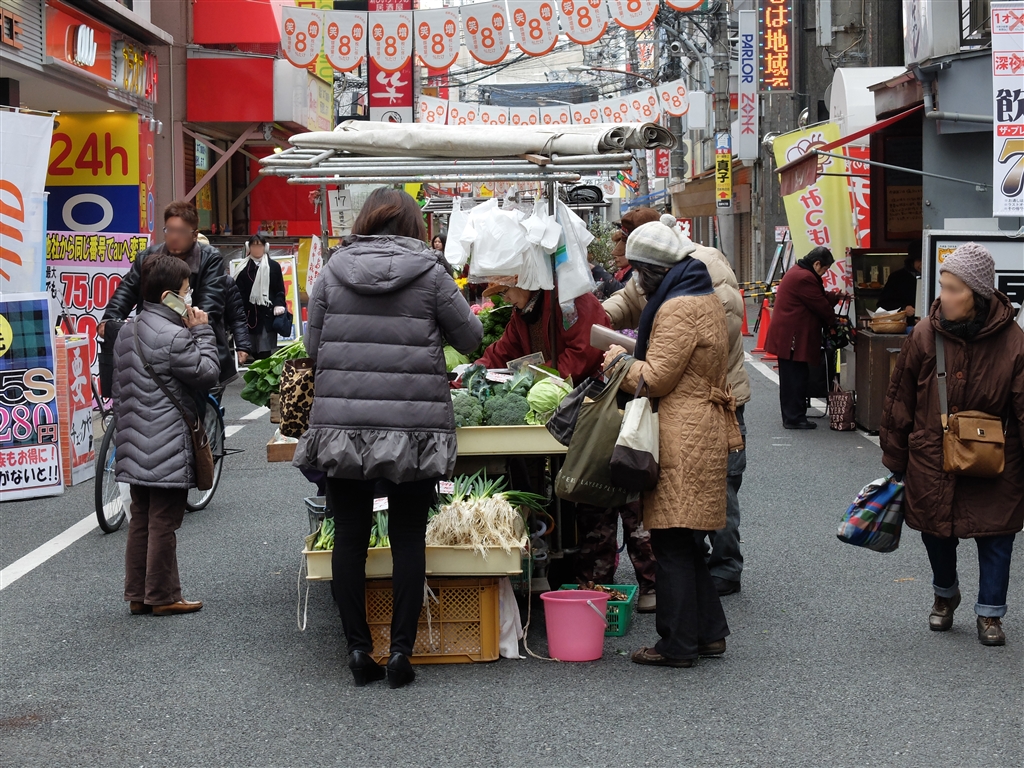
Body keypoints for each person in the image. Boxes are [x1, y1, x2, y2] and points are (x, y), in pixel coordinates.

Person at [293, 188, 482, 688]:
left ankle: (358, 649)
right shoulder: (432, 274)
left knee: (349, 536)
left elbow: (312, 346)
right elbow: (471, 339)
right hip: (411, 428)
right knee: (408, 537)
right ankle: (401, 653)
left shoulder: (333, 271)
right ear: (415, 226)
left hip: (343, 426)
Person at [603, 214, 737, 668]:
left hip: (683, 430)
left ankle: (677, 644)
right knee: (684, 540)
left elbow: (658, 377)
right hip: (698, 425)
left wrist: (619, 361)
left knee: (671, 541)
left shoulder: (678, 306)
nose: (635, 282)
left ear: (651, 270)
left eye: (637, 273)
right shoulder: (700, 292)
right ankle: (709, 635)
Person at [881, 242, 1024, 647]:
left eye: (953, 288)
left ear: (976, 294)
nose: (943, 296)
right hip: (932, 454)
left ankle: (990, 613)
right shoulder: (925, 334)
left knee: (997, 535)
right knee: (936, 531)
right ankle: (945, 594)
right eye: (942, 286)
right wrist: (896, 457)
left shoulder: (1014, 341)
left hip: (996, 457)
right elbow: (900, 398)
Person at [113, 255, 221, 616]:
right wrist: (202, 331)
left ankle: (138, 594)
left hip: (133, 439)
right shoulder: (175, 336)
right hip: (167, 441)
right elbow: (207, 374)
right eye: (185, 292)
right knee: (164, 519)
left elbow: (119, 388)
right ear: (168, 297)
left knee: (141, 517)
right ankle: (163, 596)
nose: (189, 299)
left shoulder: (127, 331)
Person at [101, 201, 247, 383]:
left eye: (181, 231)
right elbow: (126, 290)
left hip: (195, 343)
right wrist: (109, 319)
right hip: (151, 344)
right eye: (169, 230)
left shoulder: (210, 258)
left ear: (194, 235)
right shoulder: (147, 257)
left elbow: (210, 305)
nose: (174, 236)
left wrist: (175, 324)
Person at [764, 246, 846, 429]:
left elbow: (817, 297)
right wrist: (834, 322)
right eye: (825, 269)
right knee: (795, 378)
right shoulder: (804, 277)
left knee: (794, 376)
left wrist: (836, 296)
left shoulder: (799, 271)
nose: (825, 273)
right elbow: (820, 304)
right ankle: (794, 418)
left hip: (789, 335)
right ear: (817, 264)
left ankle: (794, 415)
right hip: (792, 337)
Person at [475, 277, 607, 382]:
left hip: (590, 391)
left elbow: (583, 355)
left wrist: (537, 377)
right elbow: (503, 352)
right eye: (500, 294)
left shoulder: (569, 298)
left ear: (522, 280)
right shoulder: (523, 313)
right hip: (555, 389)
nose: (505, 299)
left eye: (505, 291)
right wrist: (472, 373)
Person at [232, 234, 288, 360]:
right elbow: (238, 293)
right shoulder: (243, 269)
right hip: (249, 315)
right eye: (254, 246)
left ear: (265, 247)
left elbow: (279, 289)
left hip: (267, 315)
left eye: (260, 246)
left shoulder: (273, 266)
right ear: (249, 247)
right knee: (252, 350)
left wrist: (279, 304)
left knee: (266, 350)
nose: (257, 249)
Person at [877, 248, 923, 320]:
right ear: (912, 261)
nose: (922, 264)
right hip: (904, 323)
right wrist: (903, 308)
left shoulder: (935, 276)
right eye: (919, 260)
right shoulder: (897, 277)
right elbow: (883, 303)